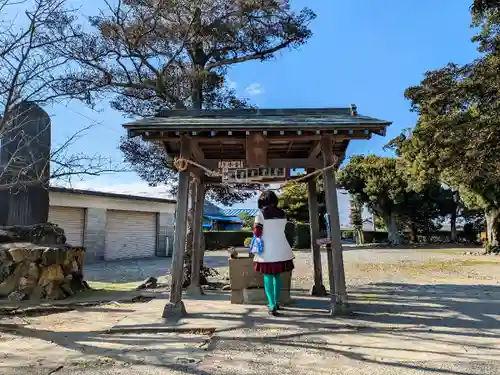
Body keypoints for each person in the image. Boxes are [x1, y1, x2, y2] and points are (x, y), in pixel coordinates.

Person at [252, 190, 294, 316]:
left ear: (262, 201)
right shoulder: (282, 213)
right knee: (277, 276)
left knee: (268, 277)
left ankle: (271, 304)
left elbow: (257, 233)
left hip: (267, 251)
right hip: (282, 249)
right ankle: (276, 302)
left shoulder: (260, 215)